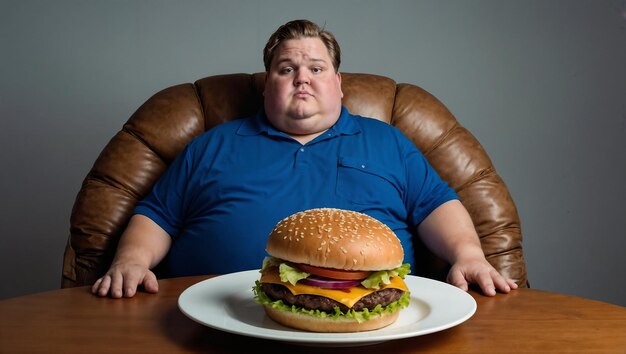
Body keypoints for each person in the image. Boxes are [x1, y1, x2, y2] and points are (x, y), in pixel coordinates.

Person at [92, 19, 518, 299]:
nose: (301, 78)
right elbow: (158, 214)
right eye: (286, 69)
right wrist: (130, 260)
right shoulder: (213, 144)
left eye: (316, 68)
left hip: (362, 322)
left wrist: (469, 255)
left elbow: (436, 205)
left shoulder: (387, 141)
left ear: (339, 83)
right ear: (265, 86)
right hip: (211, 319)